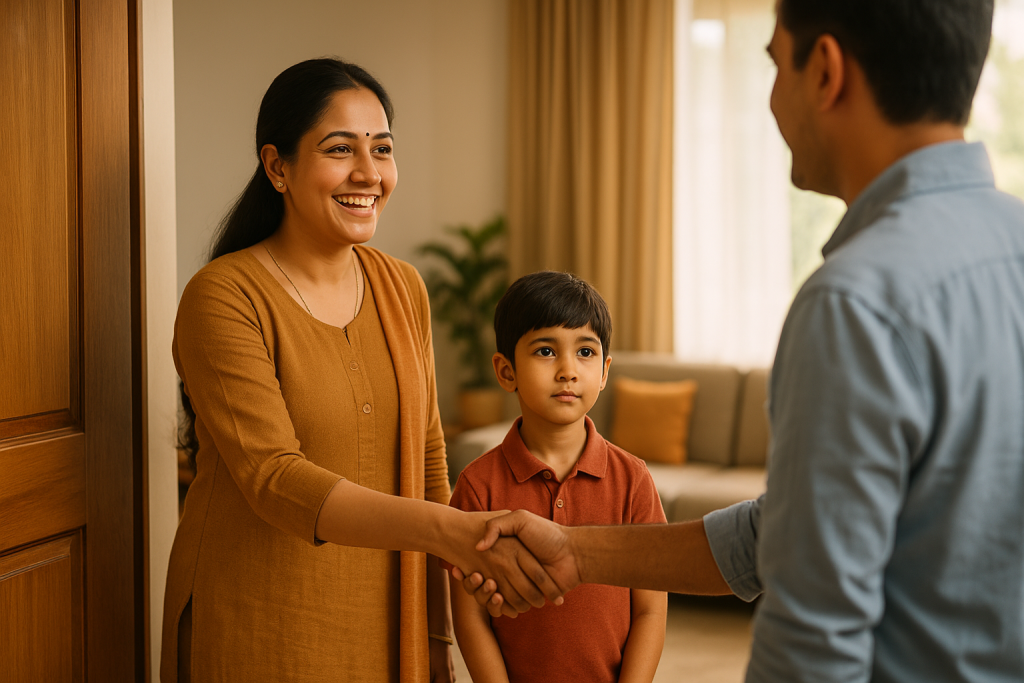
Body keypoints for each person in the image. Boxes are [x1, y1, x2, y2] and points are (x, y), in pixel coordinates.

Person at [455, 1, 1024, 681]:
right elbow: (788, 529)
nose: (773, 96)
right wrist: (577, 553)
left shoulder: (857, 301)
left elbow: (814, 639)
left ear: (824, 71)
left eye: (774, 63)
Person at [162, 58, 562, 683]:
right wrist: (448, 530)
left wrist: (438, 624)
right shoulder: (222, 295)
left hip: (387, 614)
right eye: (340, 149)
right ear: (277, 167)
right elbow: (272, 476)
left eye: (382, 149)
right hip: (258, 617)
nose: (369, 174)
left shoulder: (402, 287)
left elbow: (430, 460)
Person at [447, 272, 667, 683]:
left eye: (585, 352)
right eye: (546, 351)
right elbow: (470, 617)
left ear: (604, 371)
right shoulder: (477, 485)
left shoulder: (633, 479)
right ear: (506, 371)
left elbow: (651, 609)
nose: (568, 370)